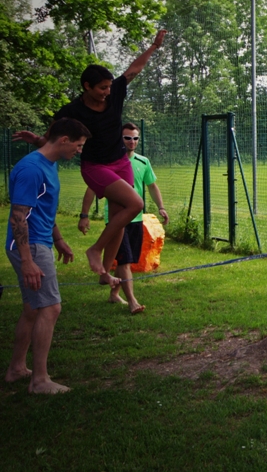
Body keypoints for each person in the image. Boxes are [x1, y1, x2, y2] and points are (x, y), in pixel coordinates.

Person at [15, 29, 166, 288]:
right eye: (102, 88)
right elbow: (52, 139)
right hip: (95, 166)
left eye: (109, 86)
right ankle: (95, 250)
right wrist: (36, 141)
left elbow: (133, 69)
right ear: (87, 86)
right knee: (135, 204)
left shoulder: (115, 92)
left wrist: (153, 47)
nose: (107, 91)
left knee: (120, 220)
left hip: (120, 162)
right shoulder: (71, 111)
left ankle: (106, 272)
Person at [5, 118, 92, 395]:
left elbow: (41, 210)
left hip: (41, 241)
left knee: (33, 309)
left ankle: (17, 369)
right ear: (64, 140)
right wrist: (28, 259)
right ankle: (40, 380)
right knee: (50, 308)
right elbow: (19, 217)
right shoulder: (32, 169)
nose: (78, 152)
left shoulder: (47, 162)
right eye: (77, 146)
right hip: (31, 246)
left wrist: (60, 240)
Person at [79, 122, 168, 314]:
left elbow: (152, 186)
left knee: (126, 259)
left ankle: (113, 294)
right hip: (117, 219)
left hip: (136, 218)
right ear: (119, 139)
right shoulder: (109, 163)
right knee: (126, 260)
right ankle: (133, 302)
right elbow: (92, 188)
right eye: (127, 138)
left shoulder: (143, 162)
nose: (132, 141)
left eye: (135, 138)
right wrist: (84, 215)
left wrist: (161, 207)